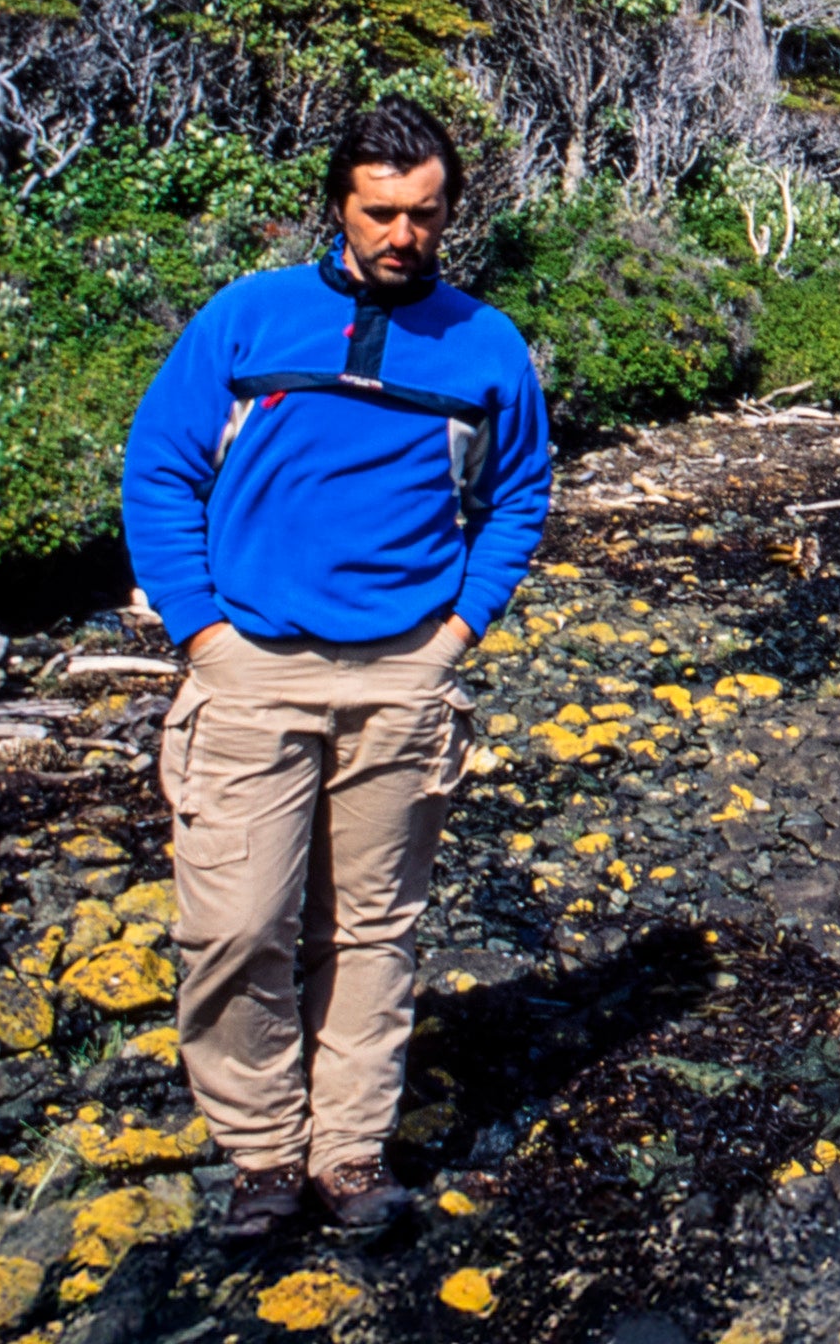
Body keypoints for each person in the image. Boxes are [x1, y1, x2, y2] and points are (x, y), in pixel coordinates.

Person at [120, 99, 552, 1244]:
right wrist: (201, 633)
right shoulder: (249, 318)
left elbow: (518, 495)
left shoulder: (486, 342)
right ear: (339, 205)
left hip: (405, 671)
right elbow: (159, 470)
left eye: (424, 212)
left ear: (451, 209)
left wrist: (458, 633)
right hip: (251, 665)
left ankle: (348, 1150)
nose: (402, 233)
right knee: (235, 923)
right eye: (381, 211)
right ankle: (260, 1149)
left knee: (371, 929)